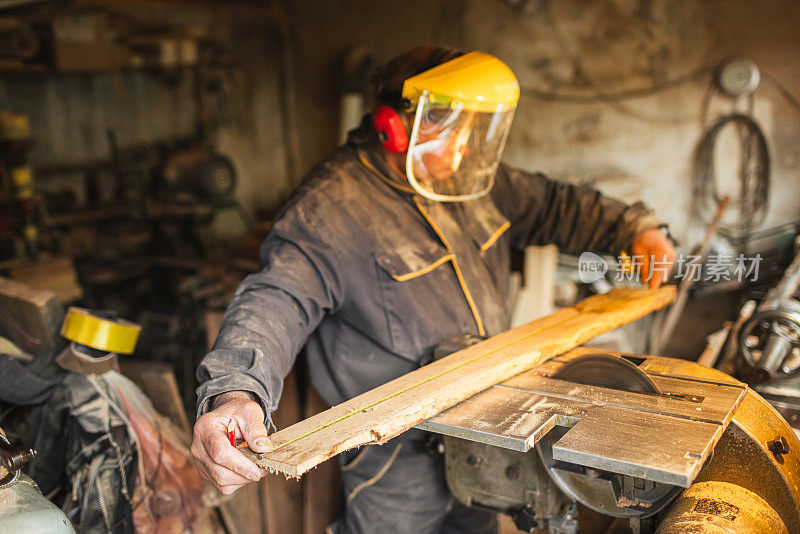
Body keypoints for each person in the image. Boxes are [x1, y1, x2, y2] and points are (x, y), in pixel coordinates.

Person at [191, 46, 675, 533]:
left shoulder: (466, 181)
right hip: (395, 456)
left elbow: (554, 205)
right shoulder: (331, 209)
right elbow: (275, 301)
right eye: (452, 131)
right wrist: (235, 394)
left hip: (482, 426)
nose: (465, 148)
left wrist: (633, 229)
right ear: (395, 127)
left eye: (472, 131)